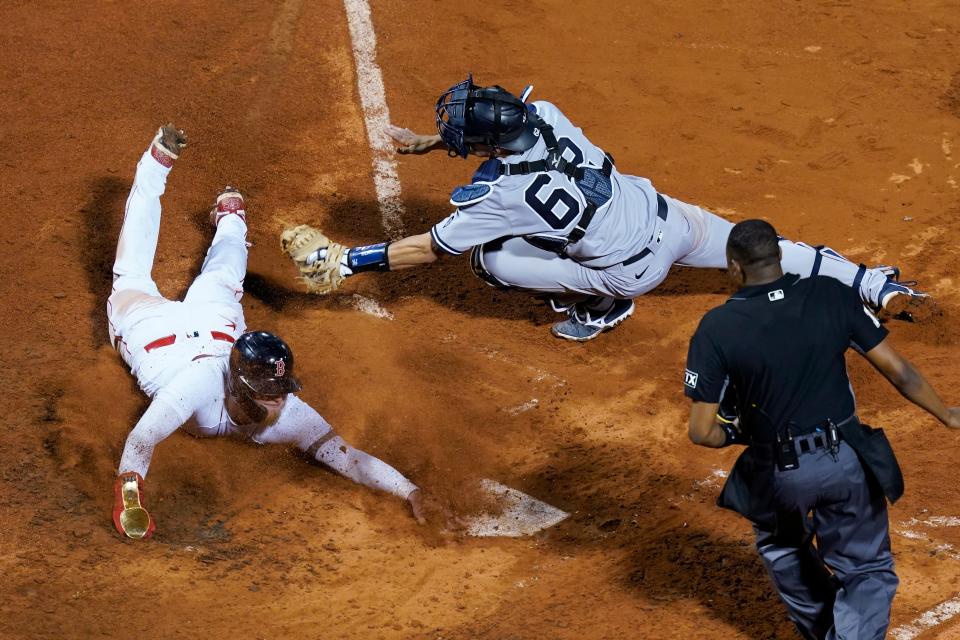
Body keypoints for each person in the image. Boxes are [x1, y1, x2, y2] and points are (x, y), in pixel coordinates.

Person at [279, 75, 926, 342]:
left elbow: (426, 248)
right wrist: (430, 145)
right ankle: (874, 283)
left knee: (488, 263)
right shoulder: (549, 115)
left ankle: (602, 305)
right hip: (668, 219)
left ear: (485, 143)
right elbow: (506, 136)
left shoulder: (502, 199)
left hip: (627, 271)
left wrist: (349, 258)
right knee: (769, 248)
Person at [108, 124, 425, 540]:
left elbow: (349, 459)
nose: (278, 402)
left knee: (223, 280)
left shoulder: (287, 413)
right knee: (131, 273)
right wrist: (129, 499)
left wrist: (410, 490)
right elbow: (143, 438)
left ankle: (230, 220)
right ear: (238, 388)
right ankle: (155, 167)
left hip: (220, 331)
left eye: (280, 390)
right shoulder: (198, 385)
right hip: (152, 330)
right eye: (268, 393)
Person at [684, 219, 960, 639]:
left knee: (783, 548)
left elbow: (702, 432)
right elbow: (900, 373)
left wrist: (738, 432)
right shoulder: (832, 295)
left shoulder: (717, 327)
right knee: (866, 569)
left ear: (734, 267)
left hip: (776, 473)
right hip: (844, 460)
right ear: (779, 257)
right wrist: (947, 414)